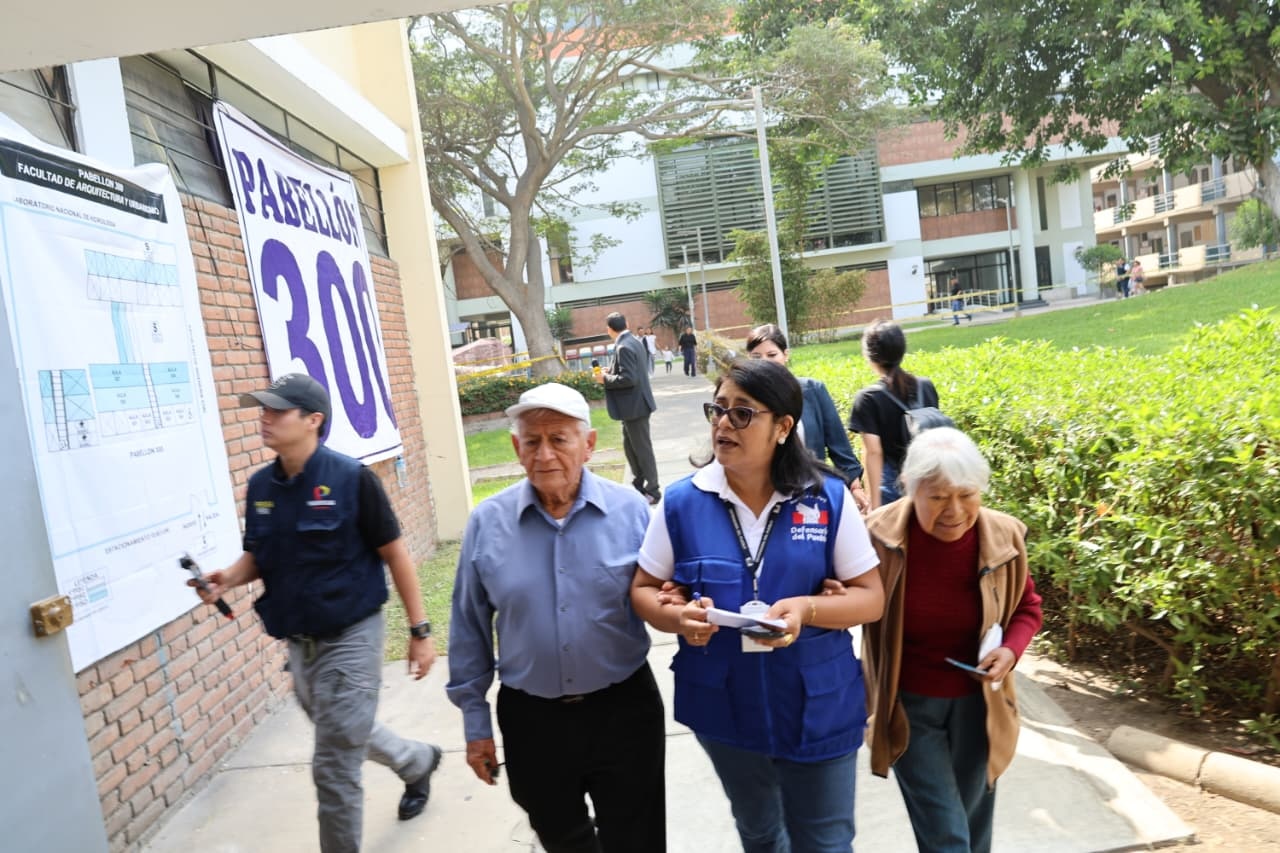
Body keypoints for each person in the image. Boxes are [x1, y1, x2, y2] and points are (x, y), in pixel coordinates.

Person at [631, 358, 884, 853]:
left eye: (742, 414)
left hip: (818, 704)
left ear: (783, 427)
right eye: (718, 410)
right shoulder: (682, 502)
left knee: (826, 841)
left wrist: (806, 609)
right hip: (725, 707)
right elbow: (643, 587)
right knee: (761, 835)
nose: (723, 424)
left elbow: (871, 598)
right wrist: (675, 618)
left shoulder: (826, 498)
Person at [190, 373, 442, 853]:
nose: (263, 418)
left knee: (332, 766)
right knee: (344, 731)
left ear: (313, 421)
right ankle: (416, 761)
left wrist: (420, 631)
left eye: (276, 411)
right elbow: (258, 557)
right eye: (262, 409)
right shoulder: (262, 485)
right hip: (300, 642)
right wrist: (226, 578)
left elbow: (395, 553)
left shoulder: (352, 479)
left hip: (352, 632)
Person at [447, 383, 665, 853]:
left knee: (638, 838)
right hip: (533, 719)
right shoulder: (487, 522)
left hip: (623, 710)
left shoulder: (631, 512)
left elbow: (669, 593)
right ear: (516, 448)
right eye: (532, 441)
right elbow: (469, 625)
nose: (545, 453)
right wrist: (475, 723)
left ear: (588, 445)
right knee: (562, 838)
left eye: (560, 439)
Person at [860, 427, 1043, 853]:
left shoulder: (1003, 537)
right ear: (909, 489)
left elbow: (1027, 608)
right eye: (938, 497)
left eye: (967, 494)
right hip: (907, 705)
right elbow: (847, 596)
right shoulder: (878, 538)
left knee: (975, 828)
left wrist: (1009, 650)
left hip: (979, 704)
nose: (955, 510)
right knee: (947, 836)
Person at [745, 323, 870, 512]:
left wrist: (855, 487)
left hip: (811, 497)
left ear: (785, 355)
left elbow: (839, 446)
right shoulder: (744, 401)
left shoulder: (813, 391)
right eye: (757, 357)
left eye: (772, 355)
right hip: (763, 498)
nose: (765, 361)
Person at [847, 320, 942, 510]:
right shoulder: (926, 386)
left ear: (869, 356)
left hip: (893, 490)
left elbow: (874, 453)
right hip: (930, 481)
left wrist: (874, 503)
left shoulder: (868, 398)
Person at [597, 312, 661, 504]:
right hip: (634, 406)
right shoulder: (633, 341)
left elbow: (629, 379)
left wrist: (604, 379)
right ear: (627, 323)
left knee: (642, 449)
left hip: (635, 407)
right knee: (630, 448)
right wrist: (612, 371)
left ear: (609, 330)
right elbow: (632, 372)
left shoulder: (623, 347)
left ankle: (653, 490)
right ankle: (639, 484)